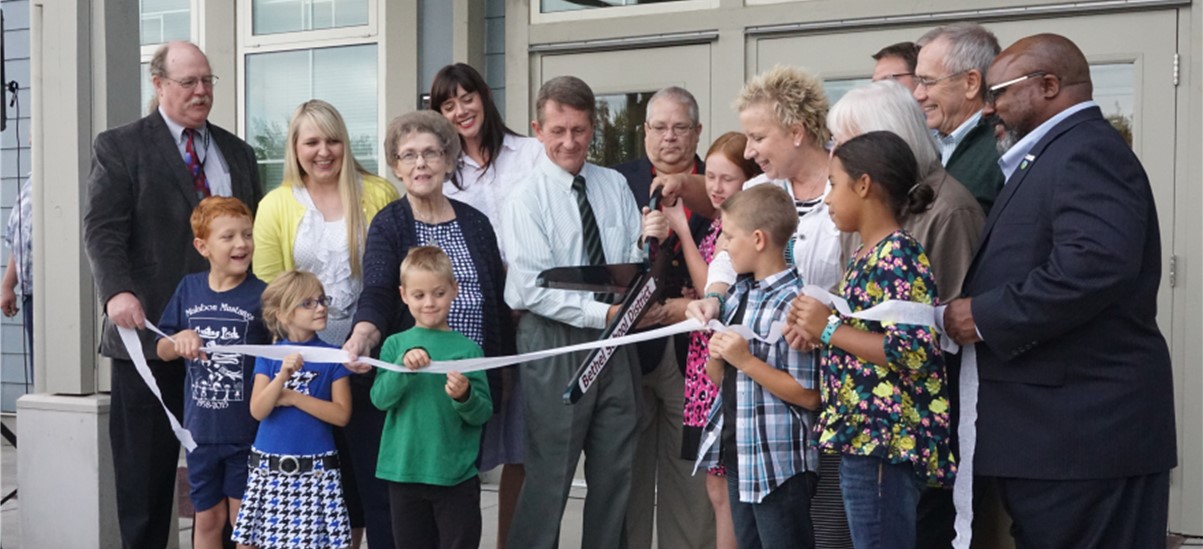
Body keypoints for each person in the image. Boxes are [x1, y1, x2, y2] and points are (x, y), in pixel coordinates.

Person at [943, 33, 1176, 547]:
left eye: (999, 93)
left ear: (1047, 85)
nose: (988, 110)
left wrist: (981, 316)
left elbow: (1092, 267)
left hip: (1083, 438)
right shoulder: (1052, 154)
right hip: (1057, 439)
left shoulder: (1086, 151)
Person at [82, 40, 263, 549]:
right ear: (158, 84)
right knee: (146, 482)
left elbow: (255, 238)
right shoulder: (119, 146)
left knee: (228, 486)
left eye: (208, 81)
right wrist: (116, 291)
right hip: (151, 338)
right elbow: (103, 230)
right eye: (189, 82)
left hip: (226, 351)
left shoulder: (238, 153)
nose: (202, 91)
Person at [685, 65, 847, 548]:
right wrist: (715, 299)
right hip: (755, 428)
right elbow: (726, 254)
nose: (749, 151)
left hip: (823, 392)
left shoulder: (846, 188)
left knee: (827, 529)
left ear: (796, 132)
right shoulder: (761, 195)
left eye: (759, 137)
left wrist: (817, 314)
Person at [343, 110, 510, 544]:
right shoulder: (390, 223)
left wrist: (501, 375)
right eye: (409, 155)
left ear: (449, 159)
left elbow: (497, 297)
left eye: (431, 153)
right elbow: (379, 289)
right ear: (396, 167)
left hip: (467, 386)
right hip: (416, 397)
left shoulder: (476, 223)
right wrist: (363, 334)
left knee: (459, 500)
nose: (421, 164)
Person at [501, 75, 651, 549]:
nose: (570, 141)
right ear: (538, 130)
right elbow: (530, 287)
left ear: (593, 130)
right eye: (559, 130)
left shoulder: (614, 185)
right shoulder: (526, 197)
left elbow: (632, 259)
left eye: (580, 130)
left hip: (617, 338)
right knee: (550, 473)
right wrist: (601, 315)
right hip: (554, 339)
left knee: (615, 473)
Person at [790, 131, 955, 549]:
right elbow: (859, 334)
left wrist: (828, 329)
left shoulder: (898, 254)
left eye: (833, 183)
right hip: (862, 438)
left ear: (864, 185)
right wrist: (818, 332)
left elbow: (912, 350)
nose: (826, 198)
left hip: (884, 442)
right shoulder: (866, 254)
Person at [429, 63, 538, 549]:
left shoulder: (529, 154)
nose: (460, 111)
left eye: (466, 98)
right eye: (448, 105)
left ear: (484, 96)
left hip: (530, 314)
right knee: (467, 436)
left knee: (522, 445)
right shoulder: (441, 175)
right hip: (469, 321)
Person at [645, 131, 760, 549]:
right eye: (709, 176)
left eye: (727, 179)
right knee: (716, 489)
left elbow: (711, 287)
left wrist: (682, 230)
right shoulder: (718, 219)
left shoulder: (741, 229)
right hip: (701, 368)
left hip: (720, 365)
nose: (715, 187)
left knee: (726, 490)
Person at [613, 85, 715, 549]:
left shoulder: (719, 182)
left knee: (689, 474)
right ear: (644, 132)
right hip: (630, 346)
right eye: (659, 127)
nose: (669, 137)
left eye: (680, 127)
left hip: (692, 352)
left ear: (696, 132)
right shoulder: (616, 182)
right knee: (626, 468)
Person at [693, 183, 821, 549]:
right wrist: (718, 356)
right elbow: (721, 377)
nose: (724, 246)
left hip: (779, 465)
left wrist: (745, 360)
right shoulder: (737, 296)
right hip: (741, 455)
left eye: (730, 236)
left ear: (759, 239)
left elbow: (810, 396)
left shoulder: (795, 304)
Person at [154, 197, 269, 549]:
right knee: (207, 518)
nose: (241, 244)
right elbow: (161, 349)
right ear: (202, 246)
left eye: (247, 235)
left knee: (243, 521)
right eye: (229, 236)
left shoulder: (263, 295)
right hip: (200, 431)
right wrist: (180, 340)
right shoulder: (188, 288)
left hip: (247, 431)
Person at [372, 245, 493, 549]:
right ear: (403, 295)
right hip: (403, 472)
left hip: (455, 474)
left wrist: (465, 395)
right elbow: (380, 399)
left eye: (439, 293)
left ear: (454, 290)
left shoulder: (468, 350)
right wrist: (402, 367)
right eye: (419, 295)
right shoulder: (393, 345)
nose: (429, 303)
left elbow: (482, 414)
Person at [253, 99, 400, 344]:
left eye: (333, 141)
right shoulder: (273, 205)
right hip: (304, 354)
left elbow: (398, 276)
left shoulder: (380, 193)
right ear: (295, 147)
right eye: (312, 142)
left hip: (374, 346)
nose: (324, 152)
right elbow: (268, 290)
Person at [827, 80, 985, 302]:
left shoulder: (950, 210)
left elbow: (953, 318)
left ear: (886, 141)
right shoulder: (857, 200)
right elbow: (850, 291)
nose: (834, 154)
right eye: (834, 141)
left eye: (845, 143)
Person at [232, 270, 353, 549]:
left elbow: (341, 414)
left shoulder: (334, 356)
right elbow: (258, 410)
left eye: (322, 300)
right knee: (250, 542)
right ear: (283, 314)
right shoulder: (270, 356)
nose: (321, 308)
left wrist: (294, 398)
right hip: (269, 468)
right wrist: (281, 378)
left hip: (317, 470)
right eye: (308, 303)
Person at [913, 22, 1005, 215]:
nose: (918, 94)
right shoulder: (932, 147)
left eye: (928, 81)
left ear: (971, 83)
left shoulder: (1003, 151)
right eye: (918, 81)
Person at [1, 175, 32, 366]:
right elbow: (18, 239)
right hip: (31, 295)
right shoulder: (32, 181)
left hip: (61, 296)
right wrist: (7, 285)